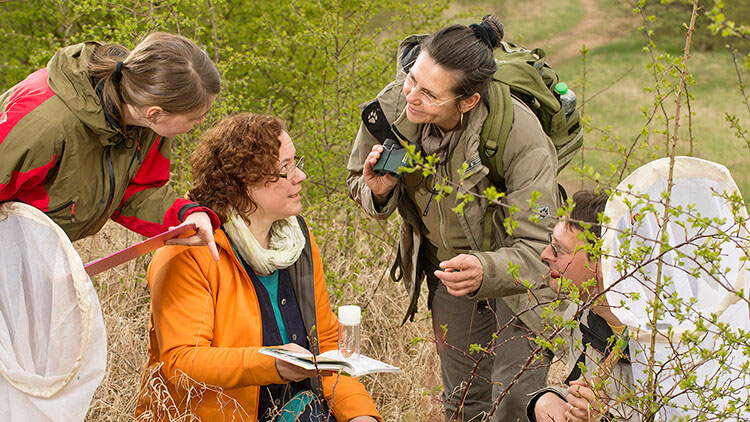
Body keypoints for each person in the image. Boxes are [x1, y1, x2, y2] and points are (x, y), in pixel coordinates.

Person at [346, 15, 562, 422]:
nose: (412, 97)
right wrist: (378, 190)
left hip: (518, 277)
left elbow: (541, 247)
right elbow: (357, 178)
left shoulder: (518, 133)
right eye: (412, 79)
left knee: (515, 401)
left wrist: (486, 267)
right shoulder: (392, 111)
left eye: (429, 94)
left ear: (467, 101)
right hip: (449, 273)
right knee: (463, 403)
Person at [136, 113, 381, 422]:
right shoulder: (189, 250)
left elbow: (328, 350)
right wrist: (271, 364)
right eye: (284, 170)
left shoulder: (298, 241)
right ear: (244, 183)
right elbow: (183, 363)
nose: (300, 176)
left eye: (295, 163)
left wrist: (361, 416)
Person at [0, 32, 222, 260]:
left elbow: (134, 191)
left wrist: (186, 216)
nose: (201, 123)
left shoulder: (147, 121)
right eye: (196, 117)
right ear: (155, 112)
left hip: (36, 252)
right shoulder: (45, 124)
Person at [528, 190, 635, 422]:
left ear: (601, 260)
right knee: (548, 406)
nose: (546, 255)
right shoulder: (581, 312)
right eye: (550, 244)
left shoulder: (657, 337)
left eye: (561, 249)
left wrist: (603, 417)